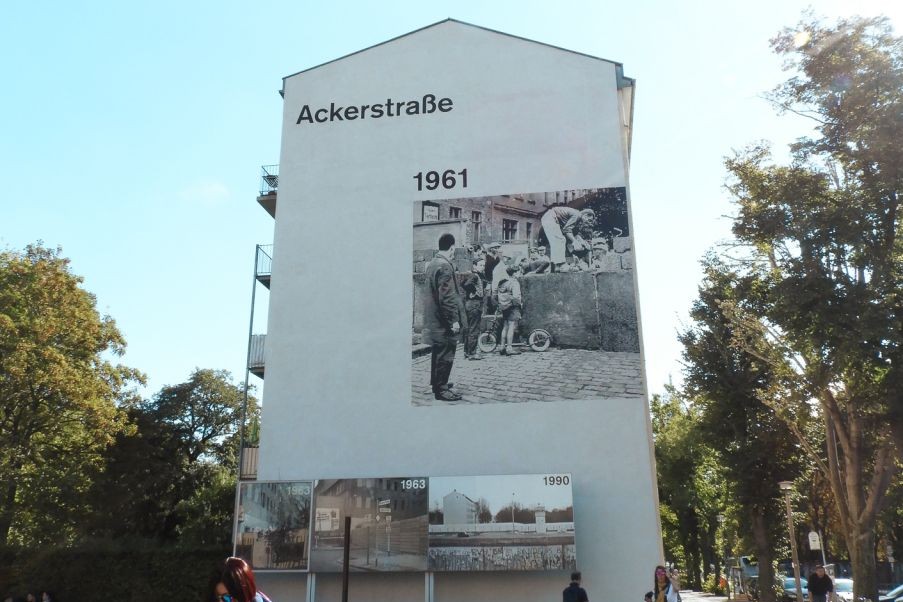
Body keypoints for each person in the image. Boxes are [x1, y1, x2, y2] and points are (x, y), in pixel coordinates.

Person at [422, 233, 466, 401]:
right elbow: (447, 297)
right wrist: (454, 320)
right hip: (443, 320)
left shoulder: (433, 263)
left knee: (438, 352)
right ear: (452, 248)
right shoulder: (445, 266)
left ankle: (437, 384)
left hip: (434, 318)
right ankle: (441, 389)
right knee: (446, 354)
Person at [540, 206, 595, 271]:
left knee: (558, 241)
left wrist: (582, 242)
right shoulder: (577, 215)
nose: (589, 222)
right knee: (560, 239)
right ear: (585, 216)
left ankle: (557, 266)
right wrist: (575, 242)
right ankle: (561, 265)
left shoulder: (577, 221)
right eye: (589, 220)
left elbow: (574, 234)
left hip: (551, 218)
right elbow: (566, 230)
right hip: (550, 217)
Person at [461, 258, 485, 361]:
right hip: (475, 304)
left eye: (483, 265)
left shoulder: (472, 274)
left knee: (470, 328)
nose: (482, 267)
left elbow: (462, 283)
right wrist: (473, 291)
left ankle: (467, 352)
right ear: (474, 266)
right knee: (474, 329)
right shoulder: (474, 275)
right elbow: (466, 285)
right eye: (480, 265)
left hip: (470, 304)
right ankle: (472, 353)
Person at [496, 267, 523, 356]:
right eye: (519, 272)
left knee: (505, 326)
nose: (520, 274)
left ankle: (502, 347)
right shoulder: (514, 283)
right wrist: (520, 304)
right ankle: (509, 348)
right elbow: (516, 297)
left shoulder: (503, 282)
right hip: (512, 306)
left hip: (504, 306)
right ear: (514, 273)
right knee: (512, 326)